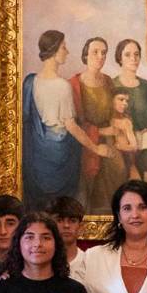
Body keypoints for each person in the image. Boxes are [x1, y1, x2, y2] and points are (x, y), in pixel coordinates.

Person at [23, 30, 114, 208]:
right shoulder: (63, 86)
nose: (67, 51)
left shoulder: (30, 81)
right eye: (64, 47)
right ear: (54, 50)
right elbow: (71, 126)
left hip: (39, 155)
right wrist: (96, 148)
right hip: (61, 153)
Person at [70, 37, 119, 211]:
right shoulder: (75, 84)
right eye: (95, 52)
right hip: (87, 147)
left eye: (104, 53)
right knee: (87, 198)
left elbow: (115, 112)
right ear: (85, 55)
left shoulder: (108, 81)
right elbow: (74, 125)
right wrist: (102, 132)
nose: (100, 56)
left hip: (110, 146)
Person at [112, 39, 147, 180]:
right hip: (121, 148)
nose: (133, 59)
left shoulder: (146, 86)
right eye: (127, 55)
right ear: (119, 58)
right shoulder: (112, 85)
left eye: (136, 54)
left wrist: (144, 134)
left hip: (145, 148)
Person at [48, 195, 88, 277]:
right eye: (59, 220)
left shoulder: (89, 262)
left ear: (81, 227)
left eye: (72, 221)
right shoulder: (41, 261)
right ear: (49, 225)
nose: (66, 225)